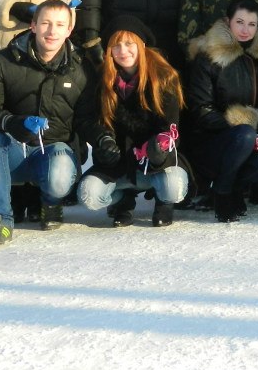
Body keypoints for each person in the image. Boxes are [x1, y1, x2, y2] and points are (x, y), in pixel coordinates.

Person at [0, 0, 92, 246]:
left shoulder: (81, 67)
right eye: (45, 23)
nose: (52, 31)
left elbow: (88, 117)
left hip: (54, 149)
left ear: (69, 30)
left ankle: (51, 202)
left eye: (60, 25)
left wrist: (99, 142)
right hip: (14, 149)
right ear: (33, 25)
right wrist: (11, 122)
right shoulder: (4, 61)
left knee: (60, 173)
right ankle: (1, 219)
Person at [75, 16, 189, 227]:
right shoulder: (102, 79)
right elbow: (91, 120)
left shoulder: (164, 77)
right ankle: (123, 201)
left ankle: (163, 202)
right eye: (116, 45)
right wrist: (102, 140)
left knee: (173, 188)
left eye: (129, 44)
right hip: (119, 162)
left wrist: (159, 146)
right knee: (89, 195)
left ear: (142, 45)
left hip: (154, 162)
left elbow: (171, 128)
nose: (123, 51)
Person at [184, 0, 258, 222]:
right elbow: (201, 110)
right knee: (245, 134)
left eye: (251, 24)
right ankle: (222, 192)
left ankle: (235, 187)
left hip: (246, 140)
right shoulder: (208, 55)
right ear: (227, 21)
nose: (245, 29)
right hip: (209, 142)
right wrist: (246, 126)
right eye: (239, 22)